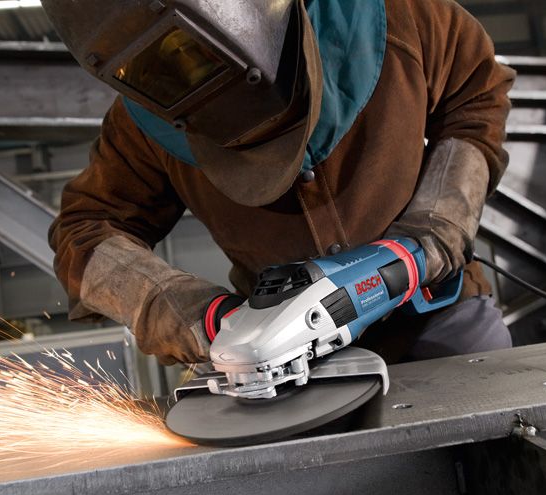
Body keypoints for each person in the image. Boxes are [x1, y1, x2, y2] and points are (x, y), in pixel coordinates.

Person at [43, 0, 516, 367]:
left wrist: (434, 231)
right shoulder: (144, 123)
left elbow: (476, 95)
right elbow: (83, 234)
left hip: (439, 315)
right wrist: (202, 318)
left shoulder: (399, 19)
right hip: (289, 361)